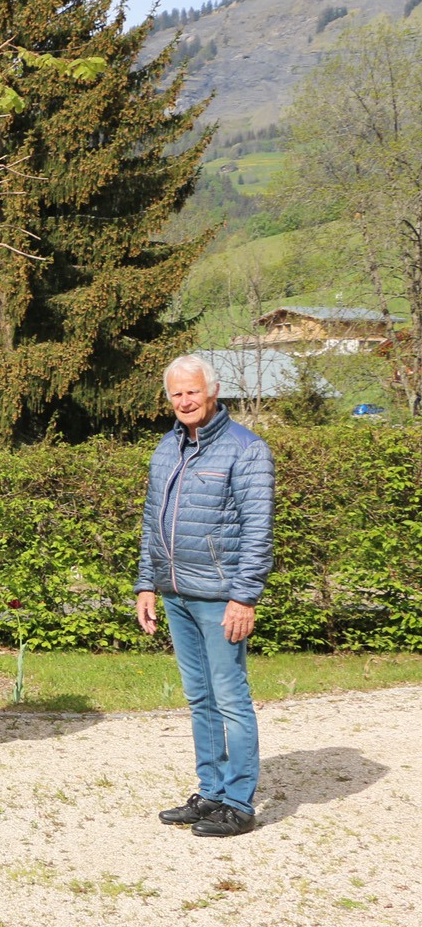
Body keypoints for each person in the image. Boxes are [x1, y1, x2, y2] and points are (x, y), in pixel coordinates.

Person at [137, 354, 273, 838]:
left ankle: (238, 802)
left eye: (192, 391)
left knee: (231, 697)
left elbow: (258, 531)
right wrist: (146, 583)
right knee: (199, 697)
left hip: (220, 596)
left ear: (212, 392)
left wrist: (244, 596)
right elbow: (152, 523)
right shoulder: (165, 448)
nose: (184, 401)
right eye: (176, 393)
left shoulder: (245, 449)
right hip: (176, 592)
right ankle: (211, 791)